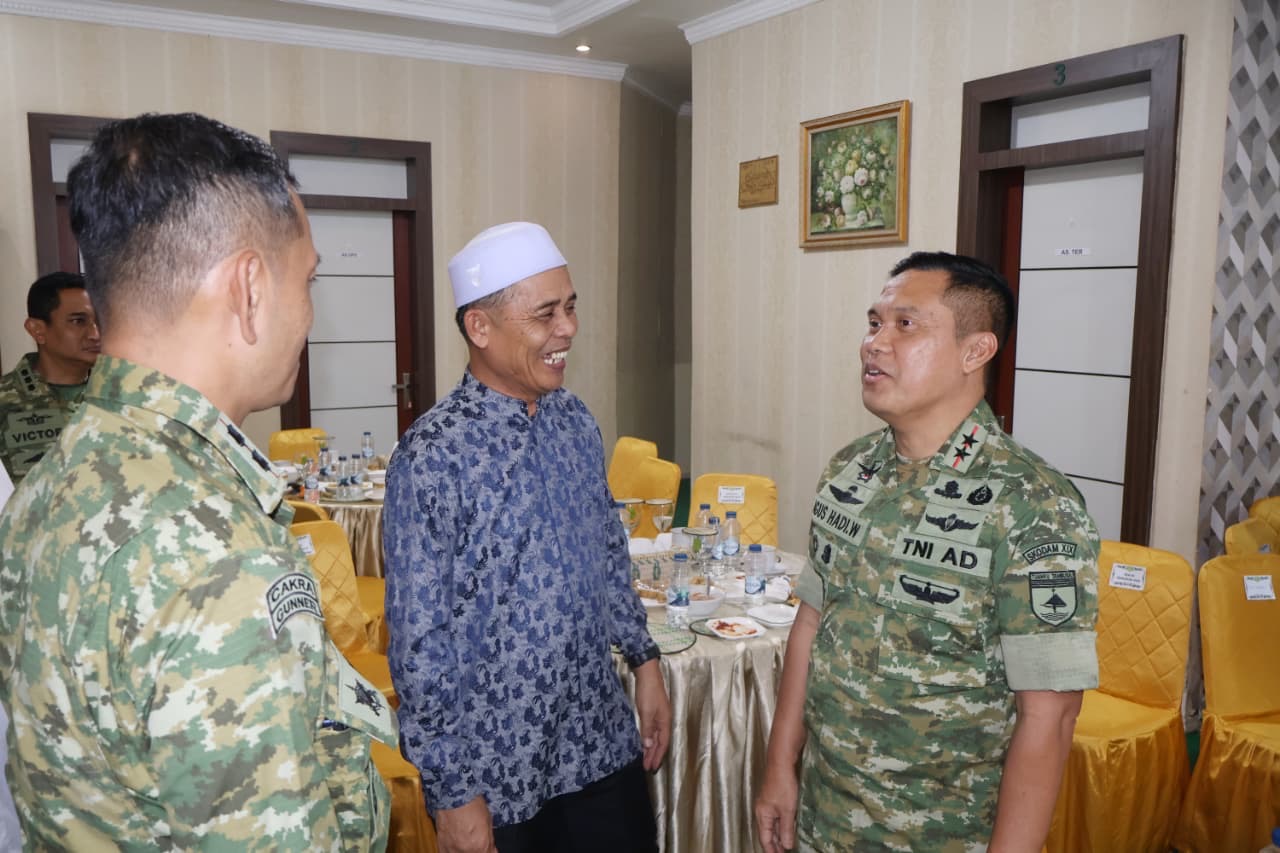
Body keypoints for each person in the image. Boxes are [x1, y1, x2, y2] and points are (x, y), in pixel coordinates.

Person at [0, 112, 393, 850]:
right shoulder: (216, 553)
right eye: (307, 279)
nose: (309, 312)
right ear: (250, 287)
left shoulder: (51, 481)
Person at [754, 251, 1100, 852]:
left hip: (943, 835)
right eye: (874, 323)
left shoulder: (1031, 505)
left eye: (906, 325)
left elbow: (1050, 717)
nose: (875, 343)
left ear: (975, 351)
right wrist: (779, 768)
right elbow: (811, 624)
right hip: (823, 816)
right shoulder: (850, 471)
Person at [383, 221, 671, 853]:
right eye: (545, 314)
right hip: (498, 773)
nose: (567, 329)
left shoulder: (575, 421)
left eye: (570, 307)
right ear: (480, 328)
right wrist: (452, 792)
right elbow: (419, 645)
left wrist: (644, 660)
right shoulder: (432, 456)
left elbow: (608, 554)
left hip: (599, 742)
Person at [0, 271, 99, 484]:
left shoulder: (117, 397)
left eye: (100, 321)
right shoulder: (5, 401)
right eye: (78, 321)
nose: (95, 334)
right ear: (37, 330)